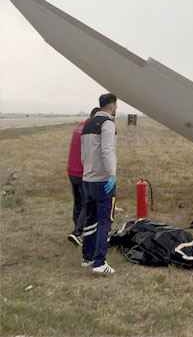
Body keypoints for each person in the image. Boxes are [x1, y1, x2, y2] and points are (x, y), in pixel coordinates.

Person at [80, 93, 118, 275]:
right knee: (105, 221)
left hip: (87, 179)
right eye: (116, 106)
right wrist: (112, 174)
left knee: (90, 219)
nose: (116, 109)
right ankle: (100, 262)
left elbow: (84, 153)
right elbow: (107, 151)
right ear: (111, 106)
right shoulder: (108, 124)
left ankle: (87, 257)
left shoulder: (88, 124)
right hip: (103, 181)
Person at [67, 107, 101, 246]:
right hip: (83, 172)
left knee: (78, 202)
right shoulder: (90, 129)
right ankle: (78, 232)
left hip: (72, 170)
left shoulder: (79, 126)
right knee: (88, 203)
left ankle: (76, 229)